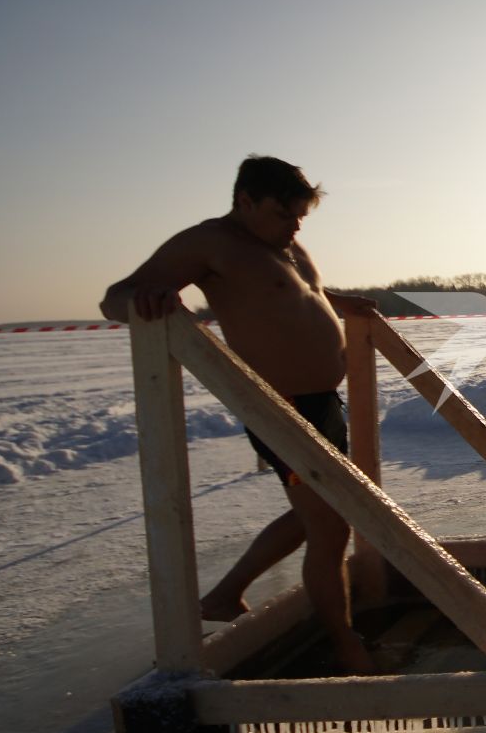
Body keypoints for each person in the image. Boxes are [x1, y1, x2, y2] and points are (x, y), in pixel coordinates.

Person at [100, 155, 381, 675]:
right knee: (331, 522)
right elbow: (113, 299)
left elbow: (294, 295)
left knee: (316, 513)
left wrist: (338, 301)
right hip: (280, 410)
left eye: (301, 217)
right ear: (245, 201)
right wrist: (145, 298)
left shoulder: (285, 242)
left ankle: (226, 596)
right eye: (283, 214)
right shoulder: (209, 242)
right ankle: (346, 647)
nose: (294, 226)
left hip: (321, 405)